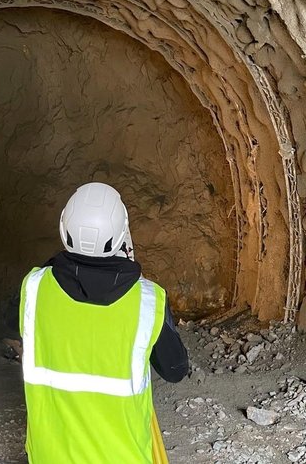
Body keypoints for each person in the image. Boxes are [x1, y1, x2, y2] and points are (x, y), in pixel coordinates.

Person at [17, 182, 189, 463]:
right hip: (123, 455)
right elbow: (175, 369)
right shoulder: (147, 299)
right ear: (122, 235)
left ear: (64, 227)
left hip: (50, 455)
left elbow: (16, 320)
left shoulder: (34, 287)